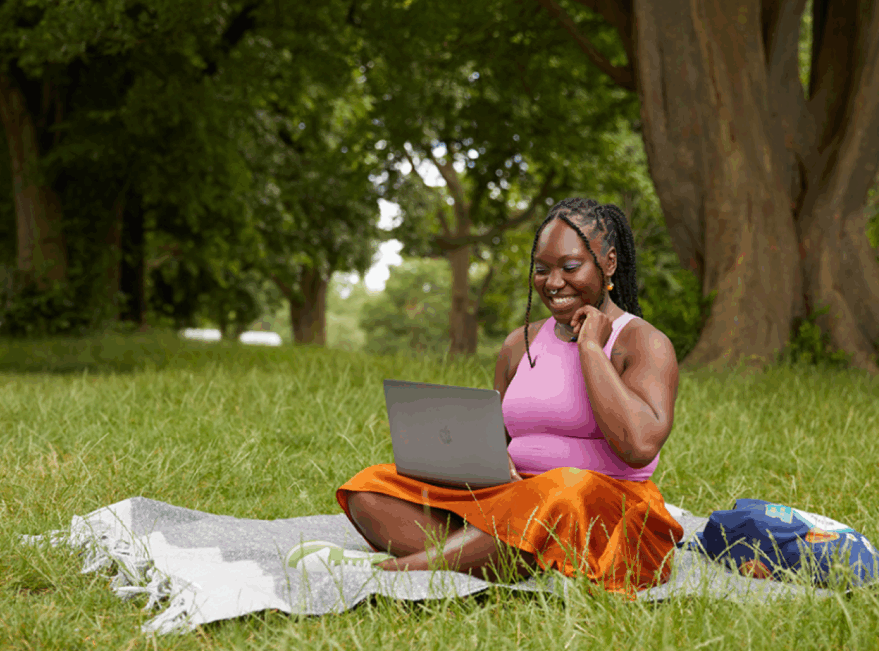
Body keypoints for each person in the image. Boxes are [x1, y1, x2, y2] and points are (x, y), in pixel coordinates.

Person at [289, 198, 683, 594]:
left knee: (565, 487)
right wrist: (491, 458)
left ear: (609, 263)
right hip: (513, 499)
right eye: (541, 270)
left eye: (569, 267)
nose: (553, 282)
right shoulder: (519, 344)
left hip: (604, 509)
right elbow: (498, 438)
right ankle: (502, 554)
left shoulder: (643, 342)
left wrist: (591, 349)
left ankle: (406, 568)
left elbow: (638, 445)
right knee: (371, 487)